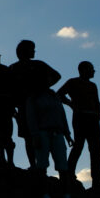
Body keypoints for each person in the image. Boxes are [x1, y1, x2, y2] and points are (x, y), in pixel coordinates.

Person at [8, 40, 61, 169]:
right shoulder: (15, 68)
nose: (34, 52)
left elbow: (56, 76)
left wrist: (43, 88)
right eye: (32, 49)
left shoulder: (38, 65)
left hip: (39, 104)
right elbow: (9, 88)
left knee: (40, 134)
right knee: (28, 136)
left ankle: (40, 165)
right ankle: (35, 165)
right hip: (23, 105)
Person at [57, 61, 100, 188]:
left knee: (96, 150)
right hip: (81, 117)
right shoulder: (73, 82)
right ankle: (69, 173)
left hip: (93, 118)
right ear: (83, 70)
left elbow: (97, 101)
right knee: (79, 146)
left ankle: (97, 181)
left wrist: (98, 114)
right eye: (91, 69)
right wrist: (71, 104)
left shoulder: (93, 85)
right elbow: (59, 94)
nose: (93, 71)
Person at [26, 85, 74, 186]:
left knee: (62, 165)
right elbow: (32, 118)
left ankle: (66, 194)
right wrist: (35, 135)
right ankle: (45, 194)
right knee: (42, 164)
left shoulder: (54, 96)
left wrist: (67, 134)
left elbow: (62, 115)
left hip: (58, 132)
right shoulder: (33, 98)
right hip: (42, 132)